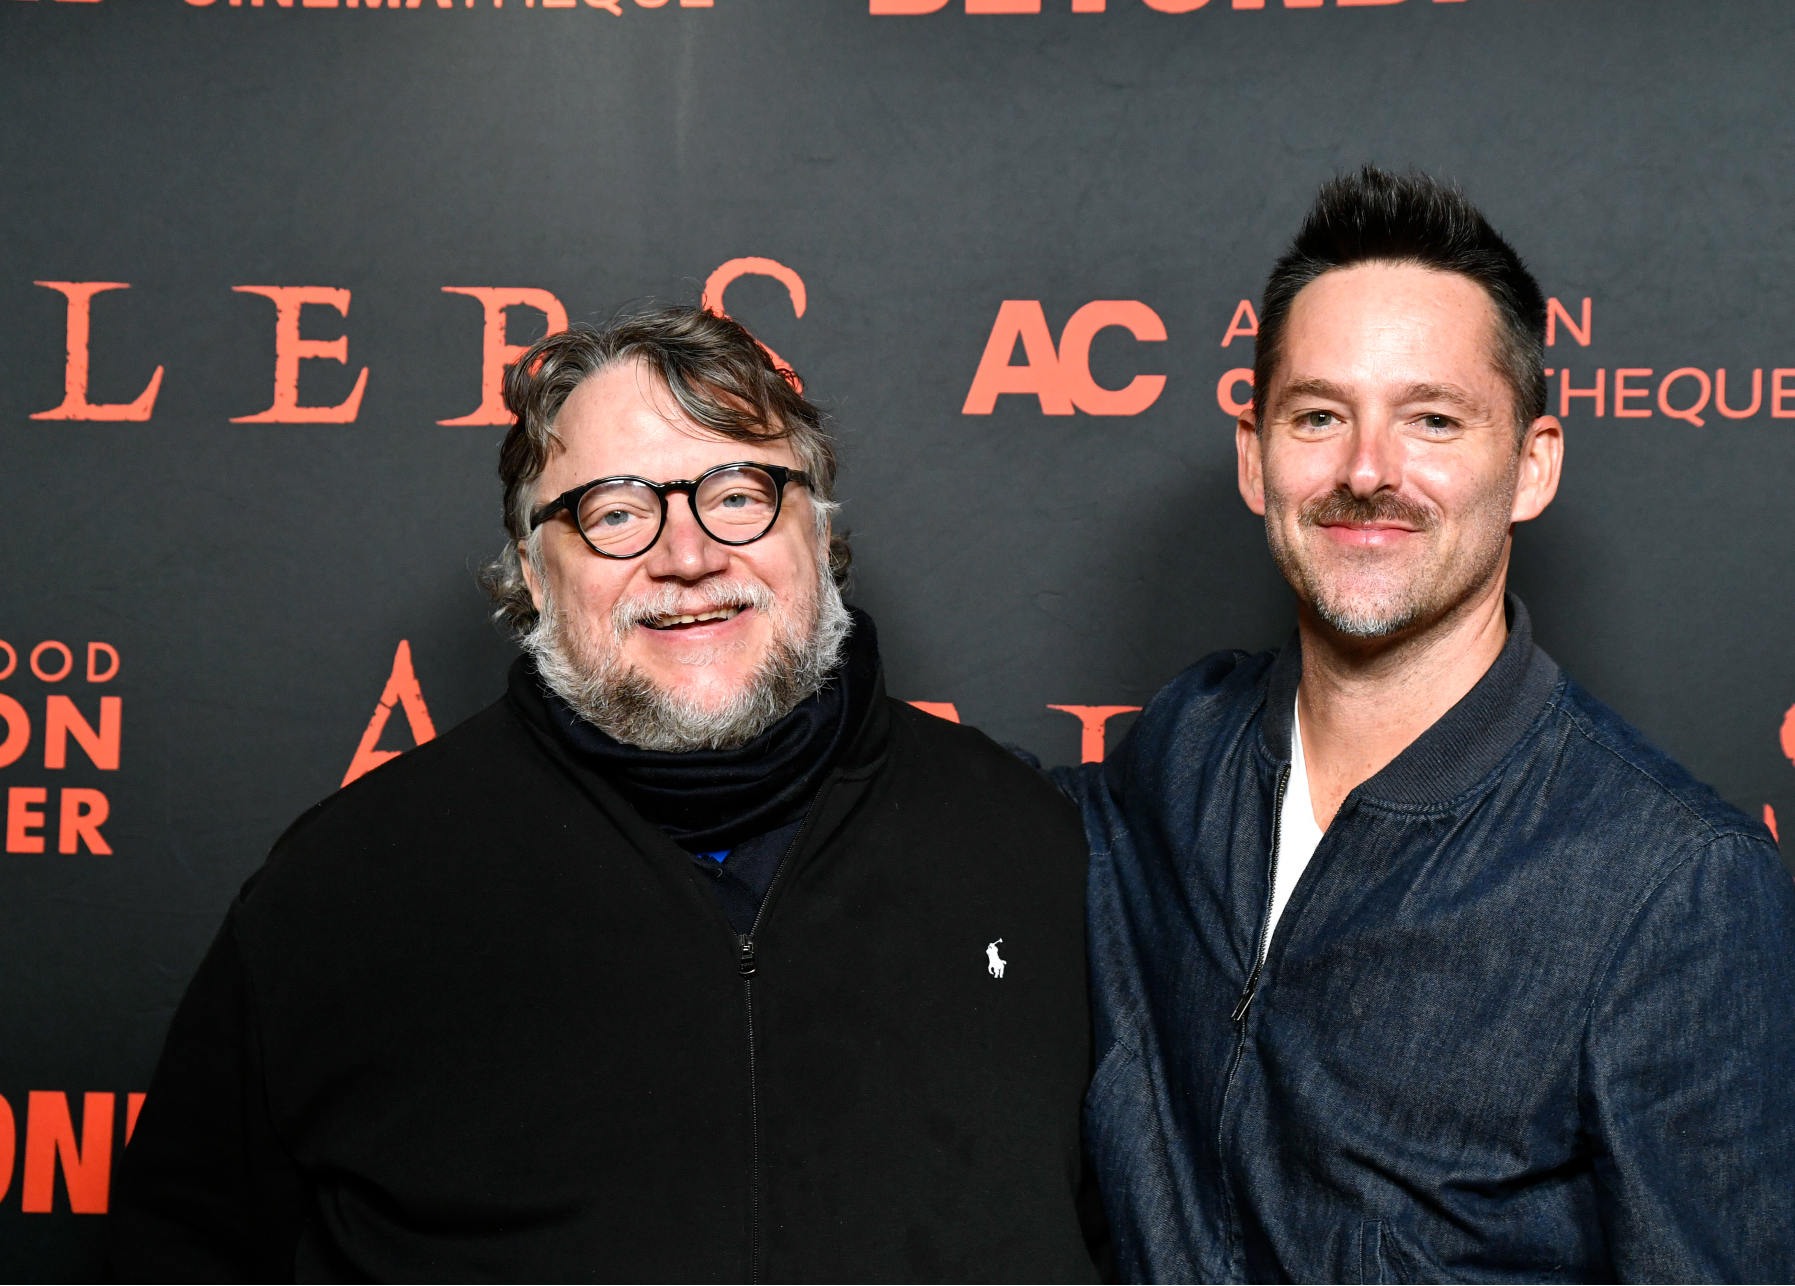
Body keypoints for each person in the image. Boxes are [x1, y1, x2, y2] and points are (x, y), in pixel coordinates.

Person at [110, 307, 1106, 1282]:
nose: (687, 556)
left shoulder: (1026, 841)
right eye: (616, 512)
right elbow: (180, 1242)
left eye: (738, 494)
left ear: (818, 529)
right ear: (534, 570)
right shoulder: (346, 884)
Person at [1054, 169, 1795, 1283]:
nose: (1366, 471)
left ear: (1531, 466)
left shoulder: (1673, 887)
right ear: (1253, 458)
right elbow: (930, 811)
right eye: (1317, 416)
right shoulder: (1179, 749)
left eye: (1431, 420)